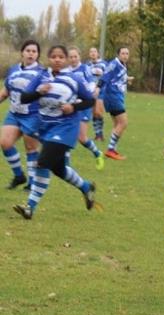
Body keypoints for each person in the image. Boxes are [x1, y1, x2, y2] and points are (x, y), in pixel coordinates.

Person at [13, 45, 97, 220]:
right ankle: (86, 187)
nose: (57, 59)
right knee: (59, 169)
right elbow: (24, 98)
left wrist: (73, 106)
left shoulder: (74, 78)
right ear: (48, 58)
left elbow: (90, 100)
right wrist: (38, 92)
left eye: (60, 57)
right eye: (53, 56)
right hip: (46, 128)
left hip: (66, 128)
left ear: (65, 59)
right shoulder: (41, 76)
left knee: (42, 163)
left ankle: (30, 207)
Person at [0, 40, 45, 190]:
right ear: (22, 52)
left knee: (30, 148)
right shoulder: (13, 70)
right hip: (14, 113)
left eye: (34, 51)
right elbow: (6, 91)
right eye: (28, 50)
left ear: (37, 55)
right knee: (5, 143)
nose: (31, 53)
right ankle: (19, 176)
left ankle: (32, 182)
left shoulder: (42, 72)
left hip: (33, 115)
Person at [68, 47, 105, 170]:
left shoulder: (85, 68)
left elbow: (91, 83)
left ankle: (97, 153)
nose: (73, 59)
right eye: (71, 57)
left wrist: (89, 93)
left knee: (82, 138)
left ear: (79, 56)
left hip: (83, 106)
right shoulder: (66, 70)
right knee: (67, 132)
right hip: (71, 106)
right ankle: (65, 163)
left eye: (75, 56)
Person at [97, 47, 133, 160]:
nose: (125, 55)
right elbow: (105, 76)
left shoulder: (122, 65)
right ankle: (110, 150)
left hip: (116, 96)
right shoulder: (114, 63)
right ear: (118, 54)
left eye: (127, 53)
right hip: (113, 96)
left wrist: (127, 79)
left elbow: (116, 77)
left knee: (117, 124)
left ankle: (112, 150)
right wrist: (97, 87)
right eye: (123, 53)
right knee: (123, 122)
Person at [85, 47, 107, 141]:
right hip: (91, 92)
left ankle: (100, 132)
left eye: (94, 51)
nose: (93, 53)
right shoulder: (87, 65)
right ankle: (98, 135)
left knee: (98, 112)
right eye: (91, 52)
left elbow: (107, 76)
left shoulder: (104, 64)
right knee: (94, 113)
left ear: (98, 54)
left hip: (100, 90)